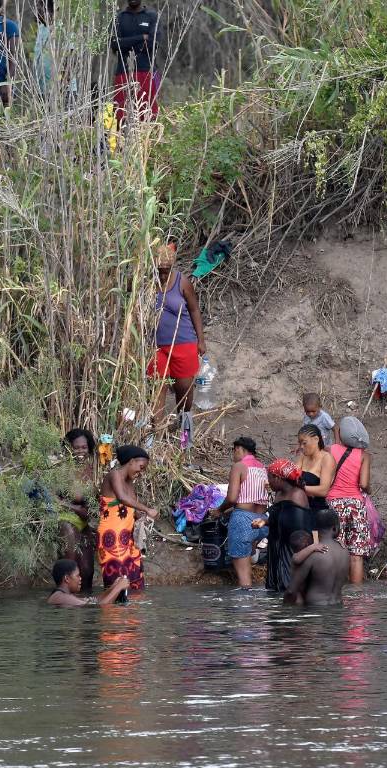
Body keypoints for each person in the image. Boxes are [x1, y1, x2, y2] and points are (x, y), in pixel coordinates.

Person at [148, 243, 205, 430]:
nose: (162, 274)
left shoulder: (182, 282)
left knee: (184, 393)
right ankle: (154, 436)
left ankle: (185, 436)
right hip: (156, 346)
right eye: (159, 270)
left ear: (172, 267)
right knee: (157, 389)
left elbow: (195, 310)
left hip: (183, 344)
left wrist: (201, 340)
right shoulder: (148, 283)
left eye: (166, 270)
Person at [208, 437, 271, 588]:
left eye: (234, 451)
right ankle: (253, 553)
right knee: (248, 557)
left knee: (244, 579)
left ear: (239, 449)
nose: (234, 455)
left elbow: (232, 498)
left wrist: (219, 510)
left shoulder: (239, 466)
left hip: (243, 521)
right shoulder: (263, 468)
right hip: (262, 521)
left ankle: (245, 605)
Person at [97, 445, 156, 592]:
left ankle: (132, 615)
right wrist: (147, 509)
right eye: (141, 467)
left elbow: (132, 510)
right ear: (131, 462)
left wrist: (144, 516)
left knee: (135, 581)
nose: (141, 472)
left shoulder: (129, 483)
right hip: (112, 537)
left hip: (128, 539)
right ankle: (114, 614)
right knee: (117, 584)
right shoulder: (113, 475)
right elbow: (122, 499)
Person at [328, 417, 373, 584]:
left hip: (333, 504)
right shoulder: (364, 455)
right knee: (356, 555)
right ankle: (357, 595)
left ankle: (334, 590)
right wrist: (370, 490)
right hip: (355, 505)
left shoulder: (330, 450)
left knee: (335, 549)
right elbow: (364, 484)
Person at [110, 0, 163, 125]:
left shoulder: (152, 16)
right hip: (124, 72)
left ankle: (147, 144)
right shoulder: (119, 18)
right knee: (122, 116)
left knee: (149, 115)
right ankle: (123, 143)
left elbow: (153, 44)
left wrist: (126, 43)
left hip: (147, 72)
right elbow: (115, 44)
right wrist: (141, 37)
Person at [58, 428, 98, 591]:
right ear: (68, 448)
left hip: (84, 521)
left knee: (87, 571)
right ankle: (64, 605)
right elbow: (51, 499)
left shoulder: (91, 470)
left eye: (84, 447)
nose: (80, 451)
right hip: (65, 519)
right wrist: (74, 508)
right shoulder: (61, 470)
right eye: (76, 448)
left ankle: (86, 611)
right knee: (71, 566)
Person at [264, 459, 313, 592]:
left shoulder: (297, 495)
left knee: (289, 587)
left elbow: (298, 531)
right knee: (275, 587)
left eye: (269, 478)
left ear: (278, 478)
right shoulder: (279, 494)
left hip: (291, 549)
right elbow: (278, 517)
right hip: (277, 546)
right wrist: (265, 521)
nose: (268, 482)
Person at [284, 510, 349, 606]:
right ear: (335, 528)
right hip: (338, 607)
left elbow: (291, 591)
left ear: (314, 529)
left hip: (316, 609)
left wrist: (283, 612)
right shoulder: (345, 551)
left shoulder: (311, 553)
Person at [46, 559, 129, 607]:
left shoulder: (63, 595)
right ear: (67, 579)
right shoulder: (62, 597)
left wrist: (113, 587)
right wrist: (118, 588)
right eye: (77, 576)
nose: (80, 578)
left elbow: (94, 601)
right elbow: (100, 607)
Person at [297, 423, 335, 511]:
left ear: (316, 439)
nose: (301, 447)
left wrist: (301, 488)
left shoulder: (327, 458)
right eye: (300, 443)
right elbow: (293, 475)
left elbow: (324, 490)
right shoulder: (303, 457)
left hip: (316, 509)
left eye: (304, 443)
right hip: (299, 505)